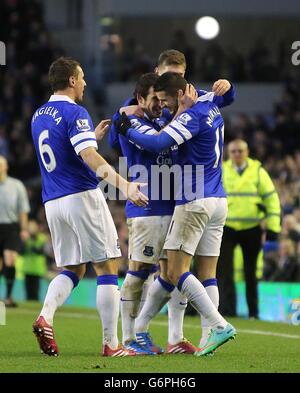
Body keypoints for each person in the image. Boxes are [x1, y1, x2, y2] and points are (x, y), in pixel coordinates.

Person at [110, 49, 236, 353]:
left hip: (190, 199)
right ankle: (137, 335)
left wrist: (228, 87)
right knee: (174, 272)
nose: (162, 105)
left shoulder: (192, 109)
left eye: (180, 76)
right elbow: (118, 141)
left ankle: (198, 330)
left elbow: (159, 141)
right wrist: (121, 123)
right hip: (184, 200)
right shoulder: (142, 108)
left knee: (177, 271)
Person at [31, 57, 148, 357]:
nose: (84, 83)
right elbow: (89, 158)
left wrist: (91, 139)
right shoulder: (75, 111)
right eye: (81, 78)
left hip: (53, 202)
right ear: (71, 80)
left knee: (73, 267)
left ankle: (46, 315)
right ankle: (111, 344)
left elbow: (63, 150)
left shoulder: (38, 115)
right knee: (108, 265)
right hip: (81, 196)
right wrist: (126, 186)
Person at [217, 139, 281, 318]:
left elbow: (272, 200)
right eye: (234, 151)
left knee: (251, 273)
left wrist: (273, 228)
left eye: (240, 151)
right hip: (227, 227)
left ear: (247, 152)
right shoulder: (221, 170)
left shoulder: (258, 172)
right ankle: (228, 312)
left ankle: (253, 312)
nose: (237, 154)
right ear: (229, 154)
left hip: (251, 228)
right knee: (224, 272)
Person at [0, 155, 30, 307]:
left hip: (11, 227)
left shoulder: (16, 185)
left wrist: (24, 229)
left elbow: (23, 210)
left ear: (6, 167)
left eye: (1, 164)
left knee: (10, 259)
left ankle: (9, 297)